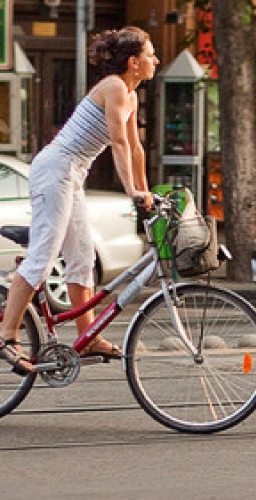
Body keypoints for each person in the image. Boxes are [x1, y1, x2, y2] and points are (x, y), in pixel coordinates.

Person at [0, 27, 158, 375]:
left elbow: (134, 148)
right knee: (43, 257)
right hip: (56, 168)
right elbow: (117, 142)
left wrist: (146, 192)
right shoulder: (115, 86)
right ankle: (7, 335)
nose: (155, 60)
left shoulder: (129, 94)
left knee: (83, 257)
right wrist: (131, 189)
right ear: (133, 62)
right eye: (150, 54)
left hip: (72, 174)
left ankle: (86, 336)